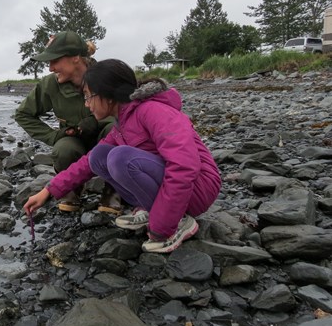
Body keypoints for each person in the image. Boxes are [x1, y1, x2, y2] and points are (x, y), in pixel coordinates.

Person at [24, 59, 221, 253]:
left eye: (88, 96)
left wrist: (162, 227)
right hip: (181, 187)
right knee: (99, 156)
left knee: (120, 158)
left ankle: (178, 221)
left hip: (198, 188)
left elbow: (184, 166)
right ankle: (152, 208)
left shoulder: (153, 111)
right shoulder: (123, 122)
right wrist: (48, 191)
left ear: (108, 96)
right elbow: (86, 164)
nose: (87, 105)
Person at [15, 31, 120, 213]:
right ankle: (71, 190)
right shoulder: (50, 85)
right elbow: (23, 114)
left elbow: (129, 112)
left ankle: (114, 190)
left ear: (75, 58)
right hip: (74, 141)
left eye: (54, 61)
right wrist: (54, 135)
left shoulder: (106, 77)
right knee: (63, 149)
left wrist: (97, 121)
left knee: (117, 132)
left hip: (107, 138)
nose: (50, 68)